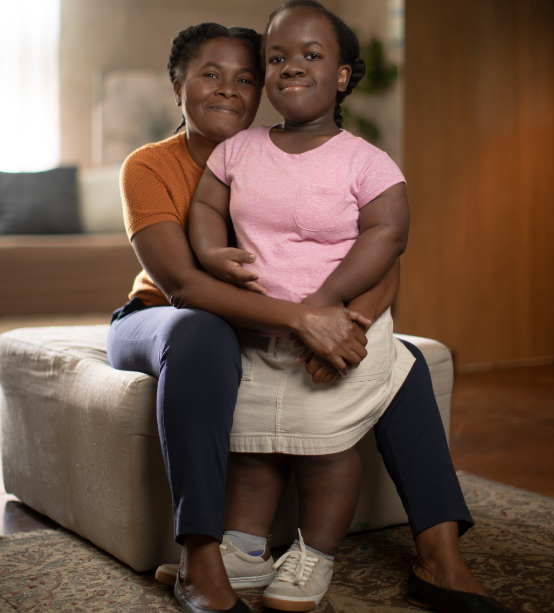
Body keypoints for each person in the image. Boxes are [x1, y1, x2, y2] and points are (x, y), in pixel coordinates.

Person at [108, 14, 511, 613]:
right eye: (210, 75)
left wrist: (351, 325)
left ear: (260, 92)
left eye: (244, 77)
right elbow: (186, 284)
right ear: (178, 86)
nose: (228, 88)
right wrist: (305, 321)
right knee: (201, 334)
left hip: (271, 317)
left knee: (403, 362)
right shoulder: (155, 164)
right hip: (162, 315)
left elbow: (381, 248)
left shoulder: (312, 158)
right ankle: (203, 552)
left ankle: (440, 556)